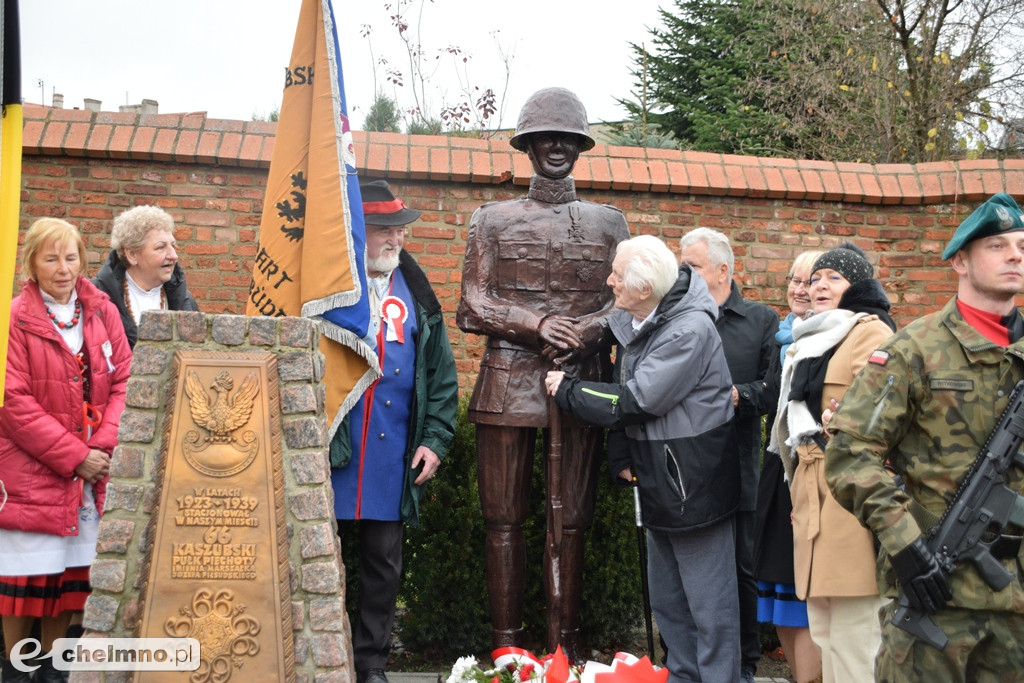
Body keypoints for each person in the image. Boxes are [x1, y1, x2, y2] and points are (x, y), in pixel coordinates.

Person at [456, 87, 629, 658]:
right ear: (528, 146)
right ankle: (507, 647)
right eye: (545, 137)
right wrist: (536, 323)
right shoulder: (493, 219)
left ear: (580, 146)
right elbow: (471, 305)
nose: (555, 146)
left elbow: (627, 301)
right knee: (502, 519)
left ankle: (566, 646)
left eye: (566, 138)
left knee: (572, 520)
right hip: (508, 382)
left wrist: (589, 330)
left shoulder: (609, 224)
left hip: (580, 382)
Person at [825, 192, 1024, 681]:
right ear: (959, 260)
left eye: (1021, 246)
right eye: (997, 246)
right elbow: (850, 454)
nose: (1015, 255)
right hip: (937, 601)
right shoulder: (911, 351)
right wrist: (905, 544)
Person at [544, 234, 740, 682]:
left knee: (710, 606)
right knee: (669, 600)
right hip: (661, 481)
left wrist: (569, 391)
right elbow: (626, 386)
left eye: (617, 275)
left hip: (694, 484)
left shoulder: (688, 329)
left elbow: (635, 400)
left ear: (646, 289)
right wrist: (621, 455)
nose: (609, 281)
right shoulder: (642, 321)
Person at [329, 180, 459, 683]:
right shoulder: (328, 290)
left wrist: (435, 440)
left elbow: (442, 377)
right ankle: (321, 654)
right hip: (335, 448)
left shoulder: (419, 293)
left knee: (384, 566)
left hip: (392, 450)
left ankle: (371, 665)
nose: (396, 241)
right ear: (358, 232)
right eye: (385, 231)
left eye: (400, 231)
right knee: (322, 557)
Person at [0, 218, 132, 683]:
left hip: (90, 470)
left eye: (71, 257)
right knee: (26, 581)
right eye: (51, 257)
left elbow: (125, 383)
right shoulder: (12, 316)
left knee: (69, 579)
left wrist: (98, 448)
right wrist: (73, 456)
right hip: (31, 468)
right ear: (32, 263)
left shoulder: (103, 311)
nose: (63, 268)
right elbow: (11, 400)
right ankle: (16, 672)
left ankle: (55, 673)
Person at [768, 242, 895, 683]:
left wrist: (841, 420)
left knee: (857, 630)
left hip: (851, 494)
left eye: (834, 278)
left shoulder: (871, 332)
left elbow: (877, 412)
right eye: (816, 277)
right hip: (809, 491)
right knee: (822, 627)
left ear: (857, 286)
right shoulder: (810, 338)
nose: (820, 285)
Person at [678, 227, 778, 682]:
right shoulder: (674, 316)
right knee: (684, 571)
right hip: (682, 470)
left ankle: (744, 664)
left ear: (722, 270)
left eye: (692, 265)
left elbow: (776, 390)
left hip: (737, 466)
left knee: (740, 569)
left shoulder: (760, 320)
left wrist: (739, 396)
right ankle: (687, 661)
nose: (684, 271)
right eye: (681, 263)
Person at [752, 250, 824, 683]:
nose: (799, 289)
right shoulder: (780, 336)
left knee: (808, 595)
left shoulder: (830, 339)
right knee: (780, 590)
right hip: (776, 472)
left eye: (809, 280)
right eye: (794, 281)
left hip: (811, 476)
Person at [92, 205, 199, 348]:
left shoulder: (185, 301)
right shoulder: (95, 298)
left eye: (173, 246)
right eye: (161, 247)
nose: (174, 255)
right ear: (132, 254)